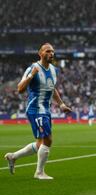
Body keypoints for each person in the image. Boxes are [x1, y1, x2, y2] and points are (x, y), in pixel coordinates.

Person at [4, 43, 72, 180]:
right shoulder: (33, 68)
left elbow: (52, 88)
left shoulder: (53, 70)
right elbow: (20, 89)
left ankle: (13, 157)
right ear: (40, 53)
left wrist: (61, 104)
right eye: (47, 51)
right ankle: (39, 172)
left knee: (40, 143)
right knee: (48, 139)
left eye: (52, 51)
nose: (51, 53)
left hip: (45, 109)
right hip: (35, 109)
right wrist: (31, 76)